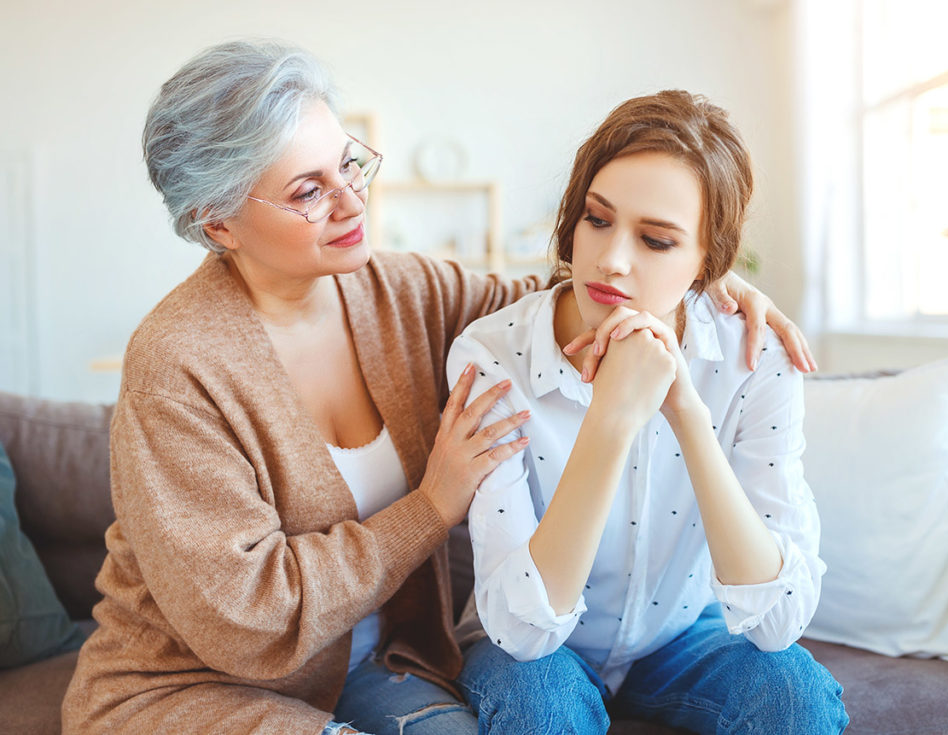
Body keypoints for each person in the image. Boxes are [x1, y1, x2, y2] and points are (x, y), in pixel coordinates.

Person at [61, 40, 816, 735]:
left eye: (349, 163)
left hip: (376, 665)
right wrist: (430, 506)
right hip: (201, 685)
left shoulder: (403, 293)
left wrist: (711, 292)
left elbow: (563, 299)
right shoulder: (177, 365)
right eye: (307, 191)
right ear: (219, 224)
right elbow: (247, 618)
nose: (354, 200)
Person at [448, 90, 849, 734]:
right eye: (597, 219)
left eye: (657, 240)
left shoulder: (754, 353)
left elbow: (778, 624)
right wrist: (612, 418)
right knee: (538, 707)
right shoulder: (493, 354)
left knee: (793, 697)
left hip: (685, 634)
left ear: (707, 264)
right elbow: (522, 633)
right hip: (542, 650)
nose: (611, 260)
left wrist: (685, 409)